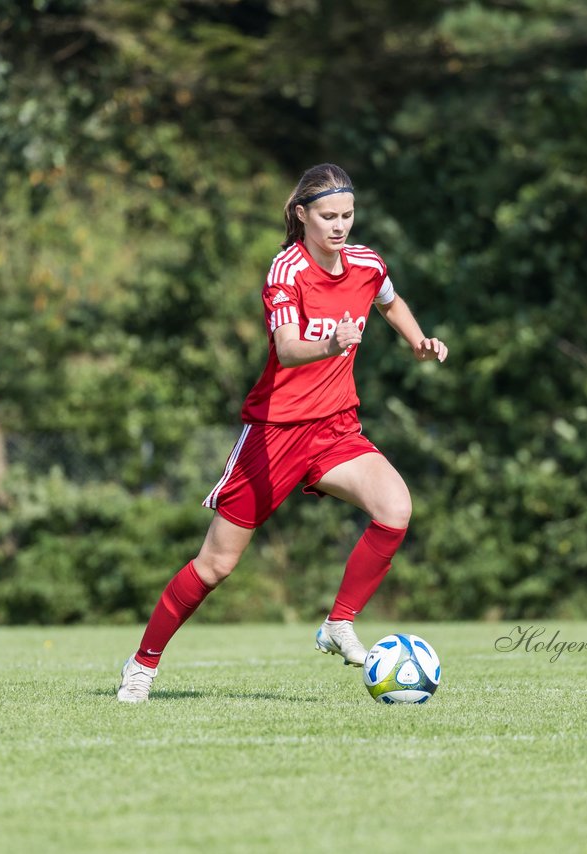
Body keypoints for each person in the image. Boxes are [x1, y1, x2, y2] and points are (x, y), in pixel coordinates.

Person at [118, 163, 447, 702]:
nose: (340, 226)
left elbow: (388, 299)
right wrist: (332, 344)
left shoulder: (366, 263)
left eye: (347, 215)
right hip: (274, 435)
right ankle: (142, 664)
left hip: (336, 428)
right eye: (328, 216)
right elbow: (290, 348)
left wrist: (416, 340)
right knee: (216, 564)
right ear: (302, 215)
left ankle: (338, 622)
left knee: (396, 508)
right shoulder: (286, 270)